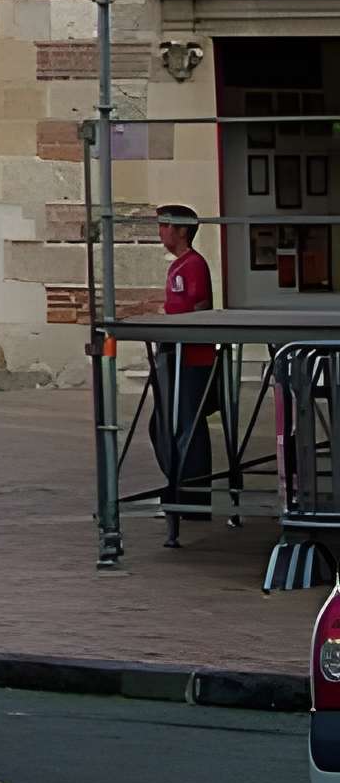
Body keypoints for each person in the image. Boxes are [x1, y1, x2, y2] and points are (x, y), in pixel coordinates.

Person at [151, 205, 219, 547]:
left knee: (186, 427)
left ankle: (191, 498)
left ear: (180, 230)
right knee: (167, 425)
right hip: (175, 353)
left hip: (191, 357)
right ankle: (180, 490)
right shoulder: (178, 266)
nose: (161, 232)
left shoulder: (194, 265)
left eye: (165, 226)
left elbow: (200, 307)